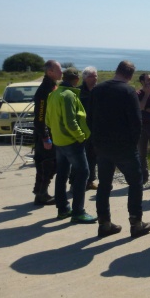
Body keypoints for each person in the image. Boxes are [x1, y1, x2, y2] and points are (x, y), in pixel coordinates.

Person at [88, 60, 150, 238]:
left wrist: (96, 140)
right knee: (135, 183)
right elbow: (136, 122)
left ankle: (104, 223)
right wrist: (133, 143)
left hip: (102, 146)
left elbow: (89, 118)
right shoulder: (128, 91)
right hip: (124, 146)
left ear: (117, 70)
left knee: (104, 185)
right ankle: (136, 223)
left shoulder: (98, 90)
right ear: (130, 75)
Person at [45, 67, 97, 224]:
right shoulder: (68, 95)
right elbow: (70, 122)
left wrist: (56, 134)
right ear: (77, 79)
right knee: (83, 173)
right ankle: (78, 212)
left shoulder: (53, 94)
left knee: (62, 174)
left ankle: (63, 209)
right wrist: (81, 137)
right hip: (71, 141)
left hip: (58, 141)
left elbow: (48, 120)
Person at [32, 60, 62, 206]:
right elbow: (40, 117)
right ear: (50, 72)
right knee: (46, 164)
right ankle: (41, 194)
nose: (61, 72)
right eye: (59, 69)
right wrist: (45, 137)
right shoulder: (44, 90)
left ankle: (40, 192)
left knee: (52, 163)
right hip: (45, 134)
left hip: (53, 132)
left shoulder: (53, 87)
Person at [79, 66, 99, 191]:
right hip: (81, 129)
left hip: (95, 129)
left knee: (93, 156)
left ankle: (90, 180)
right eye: (92, 76)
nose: (95, 78)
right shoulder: (79, 92)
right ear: (85, 78)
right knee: (81, 156)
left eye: (96, 76)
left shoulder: (99, 90)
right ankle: (76, 182)